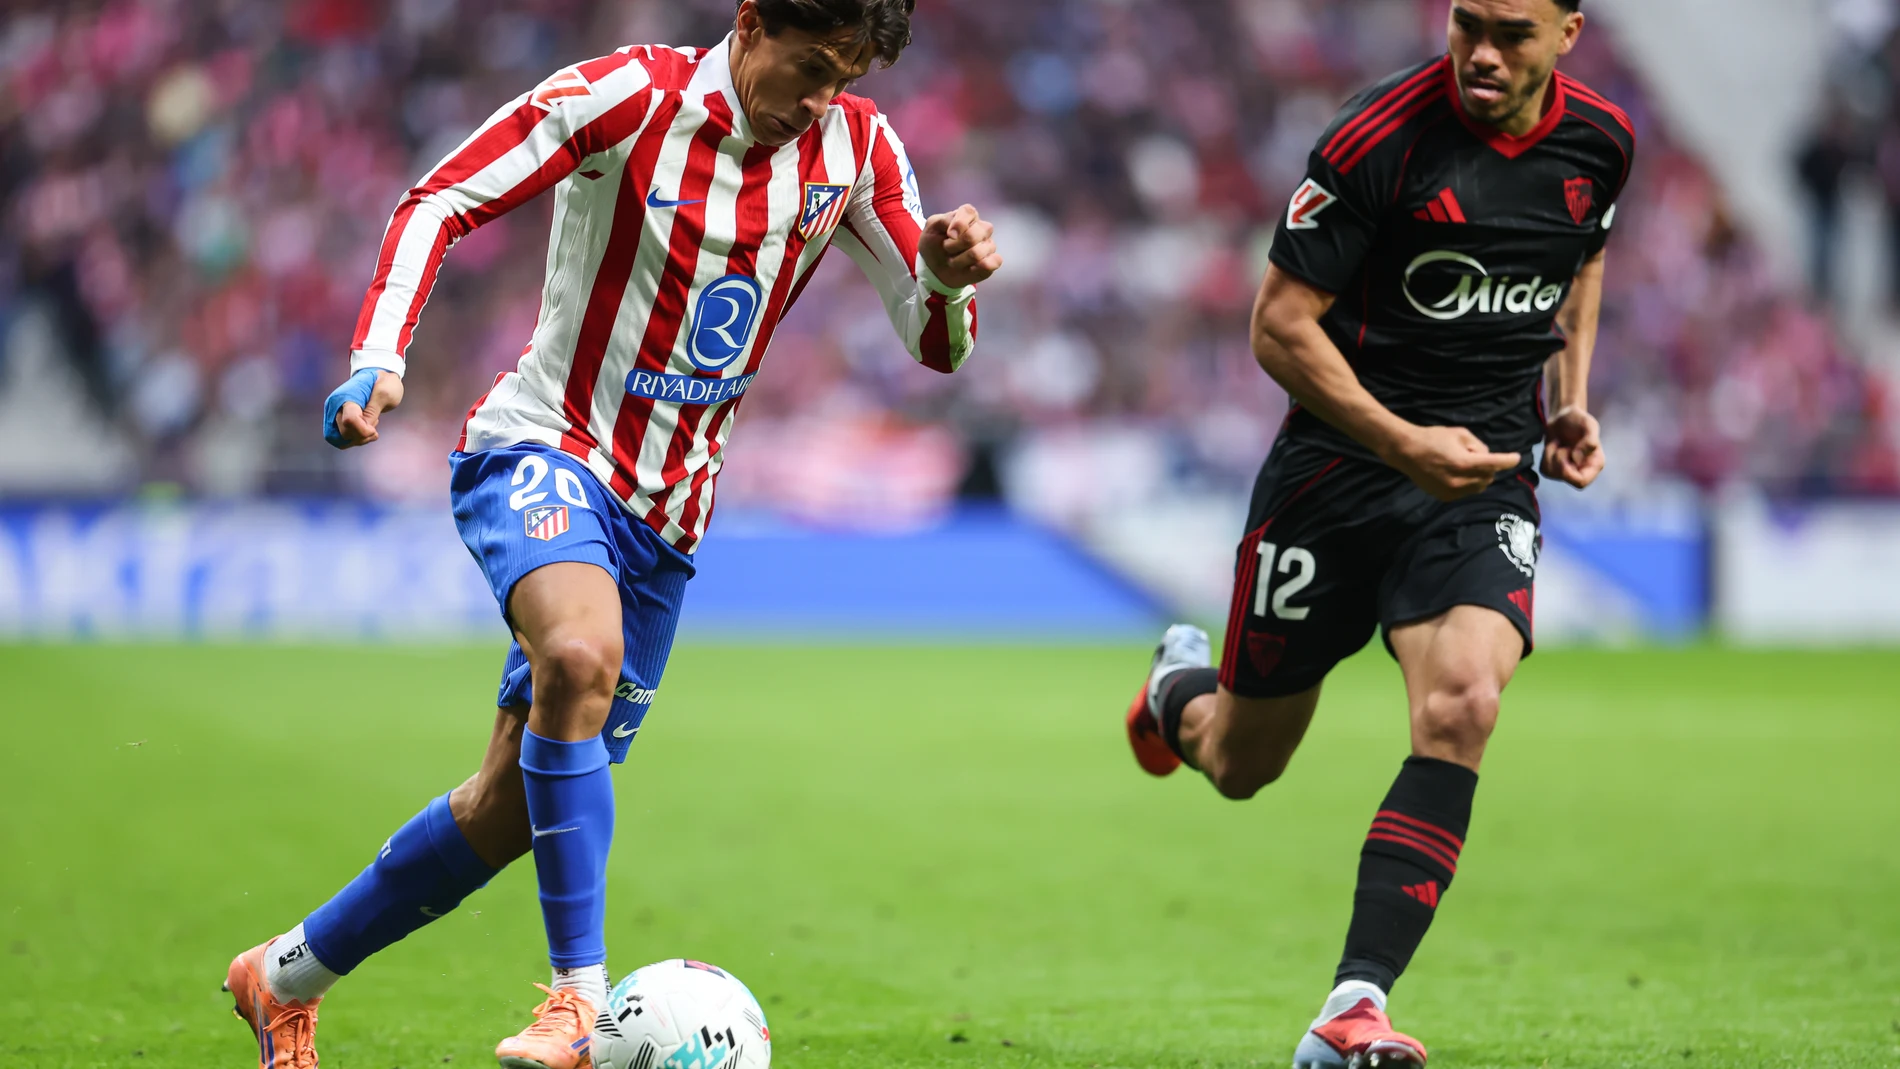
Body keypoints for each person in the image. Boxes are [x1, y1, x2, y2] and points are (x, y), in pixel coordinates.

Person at [222, 3, 999, 1067]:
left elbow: (933, 341)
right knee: (580, 657)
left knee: (506, 807)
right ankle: (579, 1006)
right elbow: (439, 196)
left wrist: (949, 281)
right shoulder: (627, 95)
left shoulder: (858, 149)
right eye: (810, 67)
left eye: (845, 77)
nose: (820, 99)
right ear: (751, 21)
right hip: (544, 446)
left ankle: (284, 976)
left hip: (669, 517)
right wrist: (380, 353)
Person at [1121, 1, 1631, 1065]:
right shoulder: (1374, 139)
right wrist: (1400, 441)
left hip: (1480, 477)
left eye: (1513, 33)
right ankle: (1178, 691)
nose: (1482, 53)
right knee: (1241, 762)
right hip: (1335, 478)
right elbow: (1277, 324)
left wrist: (1569, 397)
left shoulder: (1601, 145)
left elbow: (1580, 261)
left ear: (1569, 34)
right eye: (1466, 23)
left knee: (1466, 702)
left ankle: (1350, 1007)